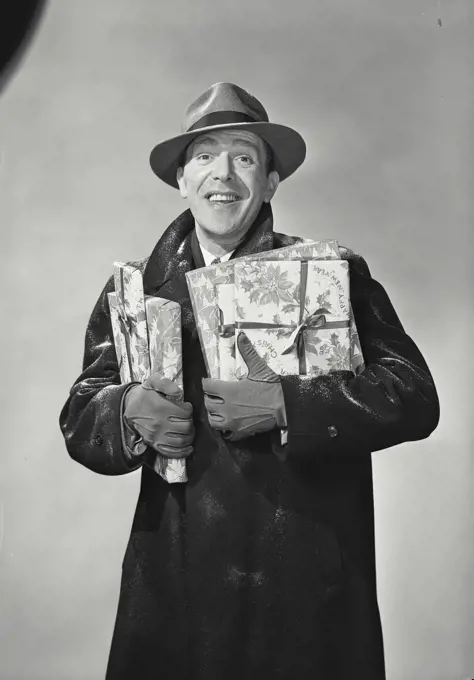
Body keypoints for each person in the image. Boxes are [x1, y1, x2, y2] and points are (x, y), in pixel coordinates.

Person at [59, 82, 440, 680]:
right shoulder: (132, 291)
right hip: (175, 586)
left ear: (270, 181)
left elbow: (413, 395)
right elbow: (81, 415)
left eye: (244, 156)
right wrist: (127, 410)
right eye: (205, 156)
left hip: (304, 588)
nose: (224, 174)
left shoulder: (333, 275)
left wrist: (289, 405)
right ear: (182, 181)